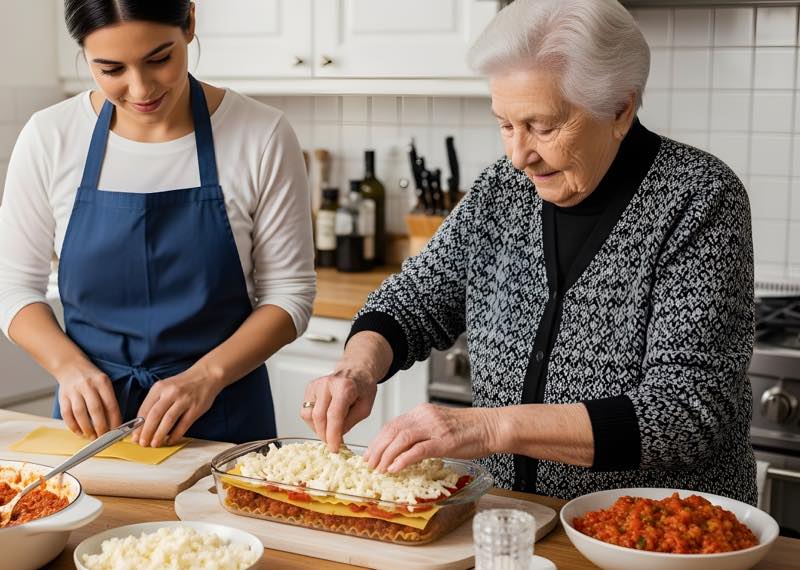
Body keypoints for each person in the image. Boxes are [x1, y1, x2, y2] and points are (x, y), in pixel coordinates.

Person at [301, 0, 756, 503]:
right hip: (512, 515)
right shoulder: (503, 188)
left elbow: (686, 412)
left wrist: (492, 429)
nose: (519, 155)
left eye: (542, 126)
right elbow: (416, 297)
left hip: (656, 531)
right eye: (505, 124)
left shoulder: (699, 197)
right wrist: (357, 368)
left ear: (620, 110)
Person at [0, 1, 315, 447]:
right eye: (111, 69)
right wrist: (69, 368)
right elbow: (12, 287)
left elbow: (290, 294)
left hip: (223, 415)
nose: (140, 88)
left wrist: (207, 376)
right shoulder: (50, 136)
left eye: (159, 59)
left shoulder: (261, 134)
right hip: (92, 424)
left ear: (189, 21)